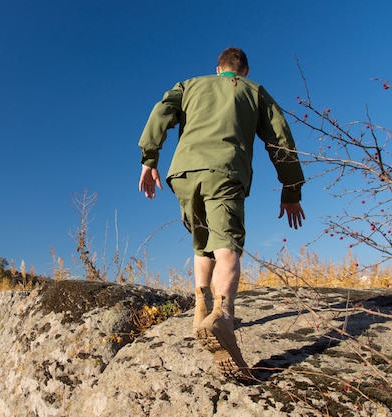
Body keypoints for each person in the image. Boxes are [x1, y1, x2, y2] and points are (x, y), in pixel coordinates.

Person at [137, 47, 305, 380]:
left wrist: (149, 157)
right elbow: (280, 138)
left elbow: (162, 110)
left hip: (184, 174)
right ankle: (223, 317)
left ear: (218, 69)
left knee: (203, 243)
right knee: (227, 246)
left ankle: (201, 309)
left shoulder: (189, 85)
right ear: (243, 70)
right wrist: (291, 189)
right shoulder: (253, 91)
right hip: (224, 170)